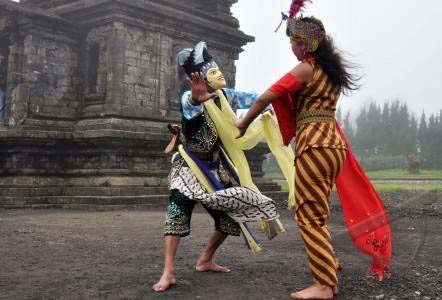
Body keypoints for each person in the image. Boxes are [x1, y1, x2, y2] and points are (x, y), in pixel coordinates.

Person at [235, 10, 361, 300]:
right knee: (318, 212)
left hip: (314, 146)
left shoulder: (307, 68)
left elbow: (269, 94)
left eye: (293, 41)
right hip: (333, 146)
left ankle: (324, 285)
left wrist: (243, 123)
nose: (291, 47)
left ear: (304, 44)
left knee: (307, 215)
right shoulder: (332, 74)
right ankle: (329, 266)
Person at [152, 41, 283, 292]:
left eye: (218, 69)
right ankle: (168, 272)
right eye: (212, 71)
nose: (219, 73)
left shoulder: (227, 96)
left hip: (214, 167)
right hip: (189, 167)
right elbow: (191, 103)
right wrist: (197, 96)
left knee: (230, 218)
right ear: (199, 78)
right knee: (177, 214)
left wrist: (284, 94)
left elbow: (258, 99)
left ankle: (205, 259)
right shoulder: (189, 99)